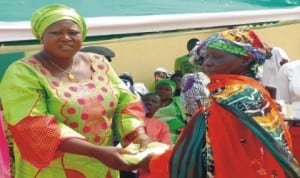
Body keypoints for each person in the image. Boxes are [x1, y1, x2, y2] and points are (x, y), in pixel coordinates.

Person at [0, 4, 152, 178]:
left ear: (83, 35)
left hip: (104, 167)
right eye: (56, 33)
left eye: (73, 32)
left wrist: (137, 134)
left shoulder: (99, 63)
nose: (65, 38)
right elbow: (33, 125)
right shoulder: (22, 73)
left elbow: (126, 102)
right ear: (41, 36)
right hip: (52, 171)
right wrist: (96, 152)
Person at [140, 28, 300, 178]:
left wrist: (149, 161)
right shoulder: (251, 91)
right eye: (206, 57)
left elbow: (203, 155)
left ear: (244, 60)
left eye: (217, 57)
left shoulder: (228, 99)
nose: (207, 63)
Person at [153, 79, 187, 144]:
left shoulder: (178, 102)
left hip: (178, 135)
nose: (163, 91)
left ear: (172, 92)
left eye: (167, 89)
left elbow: (189, 117)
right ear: (155, 90)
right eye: (160, 89)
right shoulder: (150, 103)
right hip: (156, 137)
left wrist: (186, 128)